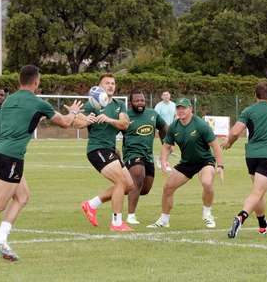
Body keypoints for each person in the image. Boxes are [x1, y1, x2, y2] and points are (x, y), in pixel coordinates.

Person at [0, 65, 82, 263]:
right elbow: (65, 122)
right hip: (11, 156)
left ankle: (1, 239)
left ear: (19, 81)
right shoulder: (38, 102)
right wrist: (73, 112)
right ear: (36, 81)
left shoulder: (9, 100)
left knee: (22, 197)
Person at [146, 98, 224, 229]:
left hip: (204, 161)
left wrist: (220, 165)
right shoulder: (174, 126)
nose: (180, 111)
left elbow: (215, 145)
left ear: (190, 109)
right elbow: (166, 146)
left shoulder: (201, 125)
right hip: (187, 163)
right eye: (178, 108)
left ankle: (207, 214)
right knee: (167, 187)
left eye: (184, 108)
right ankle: (164, 220)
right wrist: (164, 160)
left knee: (207, 182)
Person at [223, 80, 267, 238]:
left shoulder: (249, 111)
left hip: (251, 156)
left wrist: (229, 142)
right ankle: (240, 218)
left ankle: (262, 225)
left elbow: (235, 132)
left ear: (255, 94)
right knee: (257, 192)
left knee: (259, 192)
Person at [76, 74, 134, 231]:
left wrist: (109, 119)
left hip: (110, 149)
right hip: (97, 148)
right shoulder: (92, 104)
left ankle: (91, 204)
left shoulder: (119, 104)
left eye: (113, 83)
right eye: (107, 83)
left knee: (128, 186)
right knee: (121, 182)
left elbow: (125, 124)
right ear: (100, 87)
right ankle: (116, 223)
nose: (111, 86)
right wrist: (86, 121)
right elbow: (77, 122)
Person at [122, 89, 168, 225]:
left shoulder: (152, 114)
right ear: (131, 103)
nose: (140, 103)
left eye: (142, 100)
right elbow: (113, 130)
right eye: (136, 100)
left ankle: (118, 190)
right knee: (138, 175)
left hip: (148, 155)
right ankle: (130, 216)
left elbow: (164, 127)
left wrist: (165, 145)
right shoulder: (125, 116)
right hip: (132, 153)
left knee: (145, 189)